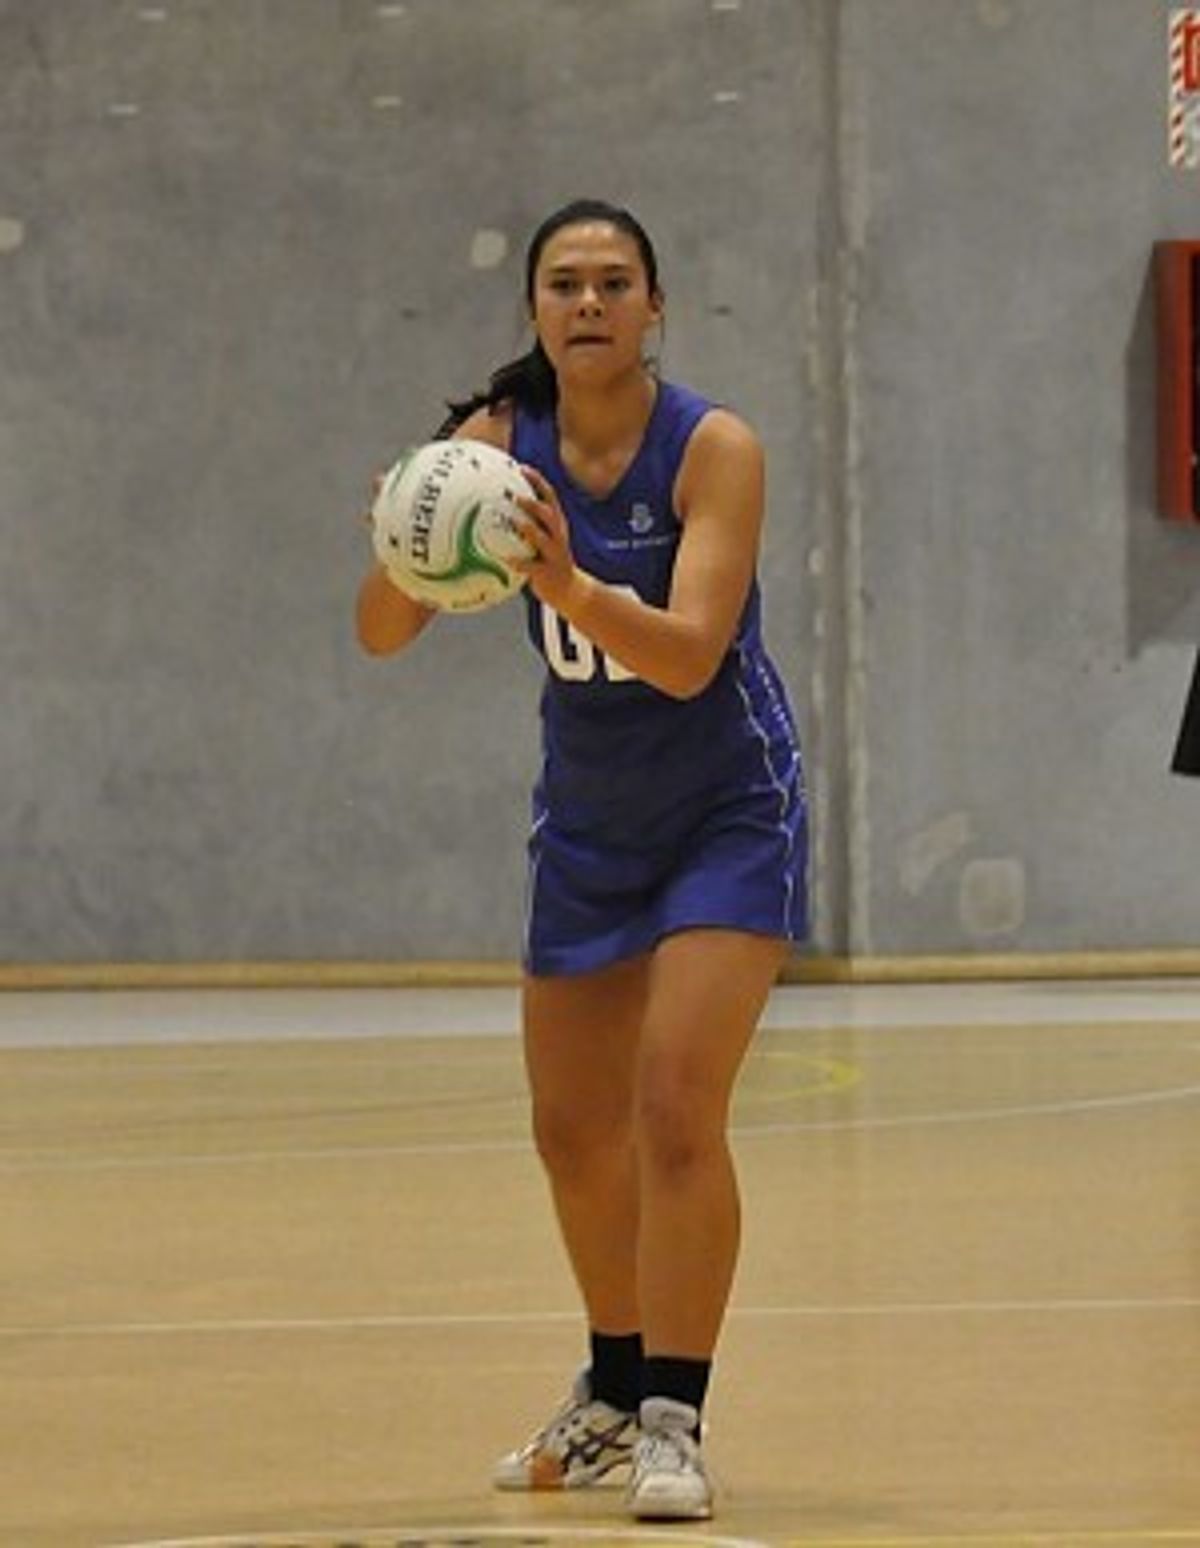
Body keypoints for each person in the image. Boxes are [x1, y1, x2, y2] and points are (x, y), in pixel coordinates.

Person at [356, 198, 808, 1522]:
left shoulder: (712, 448)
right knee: (569, 1131)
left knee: (674, 1104)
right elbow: (380, 633)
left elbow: (689, 657)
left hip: (726, 808)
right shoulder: (494, 448)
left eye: (616, 282)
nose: (591, 303)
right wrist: (406, 531)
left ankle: (675, 1416)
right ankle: (611, 1391)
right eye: (566, 283)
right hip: (592, 824)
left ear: (655, 305)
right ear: (536, 310)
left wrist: (563, 584)